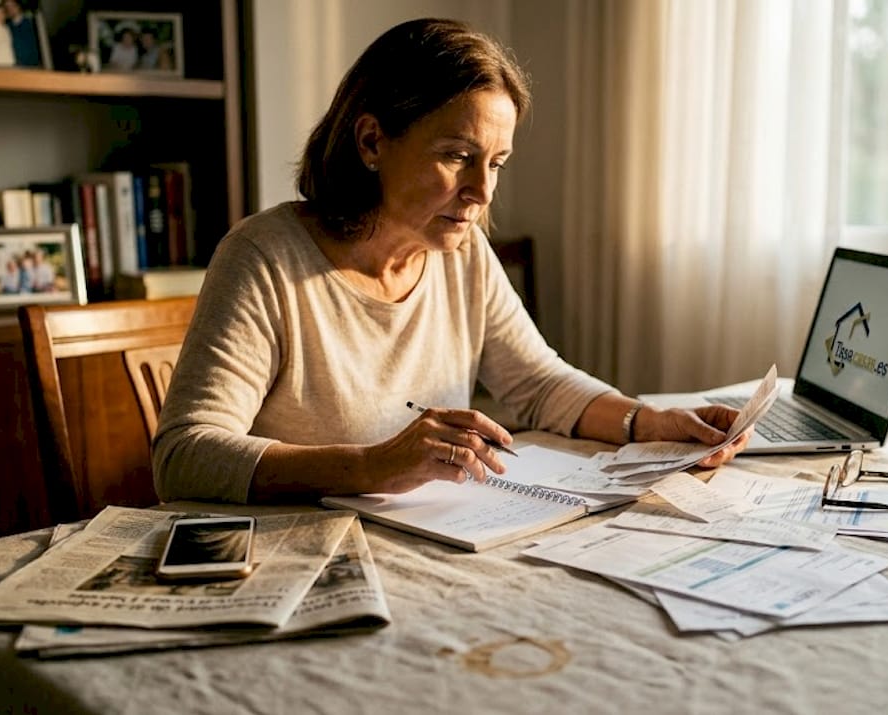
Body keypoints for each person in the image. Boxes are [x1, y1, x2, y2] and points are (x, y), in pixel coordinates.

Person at [152, 18, 750, 504]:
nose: (482, 193)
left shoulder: (461, 251)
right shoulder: (264, 257)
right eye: (457, 156)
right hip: (302, 558)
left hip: (427, 545)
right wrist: (374, 465)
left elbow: (539, 384)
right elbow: (184, 455)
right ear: (371, 142)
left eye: (495, 163)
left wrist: (649, 423)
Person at [3, 0, 40, 67]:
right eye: (7, 7)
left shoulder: (31, 22)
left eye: (12, 5)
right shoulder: (6, 27)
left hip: (33, 65)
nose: (10, 9)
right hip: (16, 67)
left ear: (18, 6)